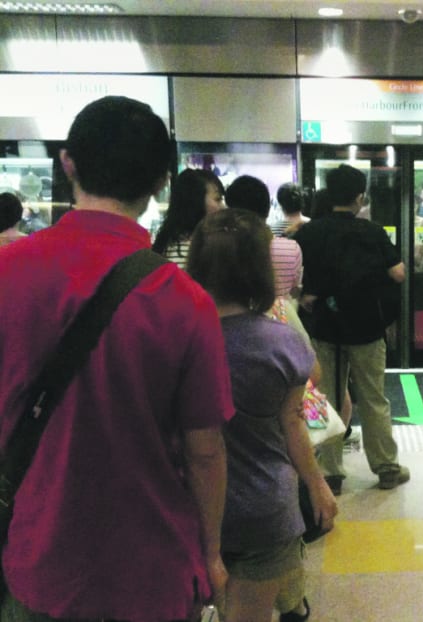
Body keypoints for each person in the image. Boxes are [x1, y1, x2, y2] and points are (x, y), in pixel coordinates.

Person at [0, 95, 233, 620]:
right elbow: (205, 451)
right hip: (153, 570)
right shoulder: (187, 301)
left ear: (68, 163)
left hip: (39, 564)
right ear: (161, 183)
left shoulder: (7, 272)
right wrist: (213, 553)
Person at [187, 208, 337, 622]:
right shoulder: (282, 342)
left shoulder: (178, 337)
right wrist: (317, 486)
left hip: (188, 503)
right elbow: (293, 423)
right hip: (264, 505)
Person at [293, 164, 407, 495]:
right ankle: (386, 467)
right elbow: (398, 273)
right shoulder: (371, 232)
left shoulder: (310, 233)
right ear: (359, 197)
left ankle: (330, 473)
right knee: (373, 398)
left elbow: (297, 278)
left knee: (324, 398)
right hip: (367, 328)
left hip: (324, 328)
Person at [226, 174, 303, 301]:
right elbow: (294, 290)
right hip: (280, 312)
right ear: (267, 209)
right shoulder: (291, 248)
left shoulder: (221, 247)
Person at [152, 167, 225, 269]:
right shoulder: (187, 251)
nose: (223, 207)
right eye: (218, 199)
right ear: (196, 202)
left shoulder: (173, 242)